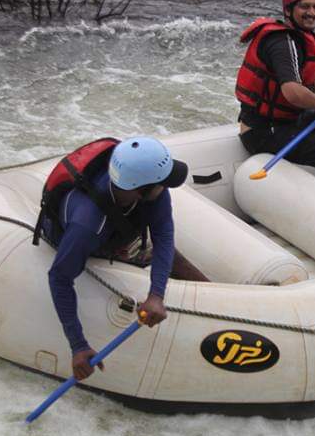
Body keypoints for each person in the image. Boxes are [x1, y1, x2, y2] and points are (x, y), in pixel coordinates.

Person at [38, 136, 209, 380]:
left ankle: (217, 296)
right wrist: (78, 345)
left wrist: (156, 294)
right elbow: (59, 278)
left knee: (172, 257)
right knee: (156, 255)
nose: (167, 188)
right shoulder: (87, 226)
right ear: (141, 189)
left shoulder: (149, 190)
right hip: (76, 240)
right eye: (163, 183)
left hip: (118, 220)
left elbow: (164, 235)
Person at [235, 0, 315, 192]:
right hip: (262, 131)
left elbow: (301, 77)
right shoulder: (282, 42)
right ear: (289, 11)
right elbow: (291, 91)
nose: (312, 12)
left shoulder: (296, 38)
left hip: (287, 121)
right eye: (304, 7)